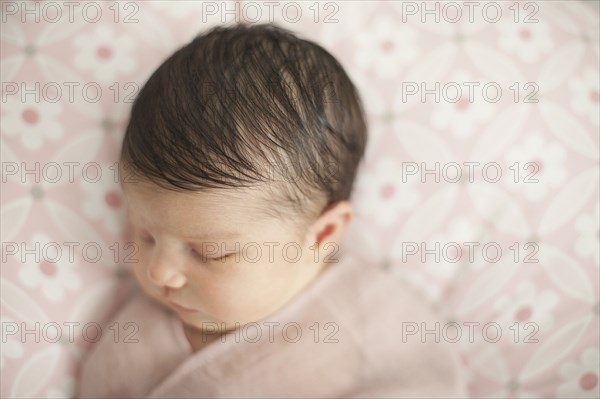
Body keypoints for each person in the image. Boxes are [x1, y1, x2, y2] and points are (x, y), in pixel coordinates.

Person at [77, 23, 466, 398]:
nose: (158, 271)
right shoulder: (133, 342)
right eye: (145, 234)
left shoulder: (378, 326)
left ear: (323, 235)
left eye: (208, 251)